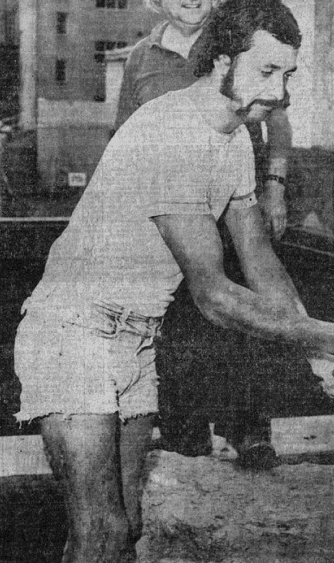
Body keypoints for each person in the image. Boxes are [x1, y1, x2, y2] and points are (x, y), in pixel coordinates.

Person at [13, 2, 334, 561]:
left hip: (135, 339)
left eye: (288, 74)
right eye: (267, 72)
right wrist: (332, 336)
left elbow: (261, 262)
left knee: (125, 527)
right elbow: (213, 295)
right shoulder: (171, 131)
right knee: (104, 532)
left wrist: (315, 348)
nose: (281, 92)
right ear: (220, 63)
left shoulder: (234, 135)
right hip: (70, 335)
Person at [114, 0, 295, 459]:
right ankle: (184, 435)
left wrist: (274, 184)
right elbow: (121, 138)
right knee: (177, 324)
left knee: (245, 308)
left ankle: (249, 426)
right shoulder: (144, 60)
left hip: (233, 197)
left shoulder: (249, 37)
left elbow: (259, 263)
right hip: (170, 210)